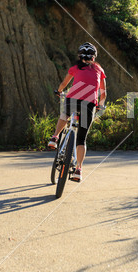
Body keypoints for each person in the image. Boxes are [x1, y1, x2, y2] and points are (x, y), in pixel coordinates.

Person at [48, 42, 106, 182]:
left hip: (73, 98)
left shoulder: (75, 68)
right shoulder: (99, 69)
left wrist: (59, 91)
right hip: (89, 104)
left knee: (65, 115)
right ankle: (78, 169)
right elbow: (103, 92)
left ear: (79, 56)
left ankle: (55, 137)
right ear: (94, 57)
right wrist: (100, 105)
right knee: (81, 139)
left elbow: (64, 84)